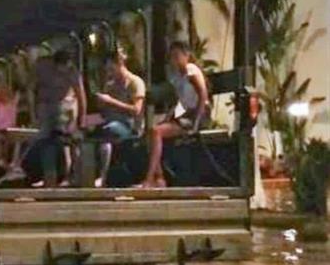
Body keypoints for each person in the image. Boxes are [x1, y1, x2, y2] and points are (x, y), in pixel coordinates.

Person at [139, 41, 210, 188]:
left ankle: (150, 179)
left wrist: (196, 123)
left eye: (177, 56)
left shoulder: (191, 70)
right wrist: (168, 118)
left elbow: (203, 95)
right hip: (185, 115)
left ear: (186, 55)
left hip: (198, 114)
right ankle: (159, 178)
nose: (174, 60)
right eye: (172, 57)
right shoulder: (178, 76)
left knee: (157, 132)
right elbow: (179, 102)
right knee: (151, 133)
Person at [94, 49, 146, 187]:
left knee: (109, 130)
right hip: (109, 121)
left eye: (112, 68)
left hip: (129, 125)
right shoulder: (110, 85)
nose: (110, 72)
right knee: (86, 130)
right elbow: (104, 113)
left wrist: (111, 101)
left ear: (120, 64)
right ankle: (79, 175)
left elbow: (136, 110)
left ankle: (103, 176)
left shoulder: (135, 82)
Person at [34, 51, 87, 186]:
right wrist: (33, 112)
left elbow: (81, 95)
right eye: (62, 68)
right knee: (46, 142)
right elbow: (32, 88)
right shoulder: (42, 67)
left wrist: (82, 118)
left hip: (68, 109)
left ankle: (74, 176)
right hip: (46, 108)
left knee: (72, 141)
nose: (64, 71)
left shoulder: (73, 71)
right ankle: (49, 177)